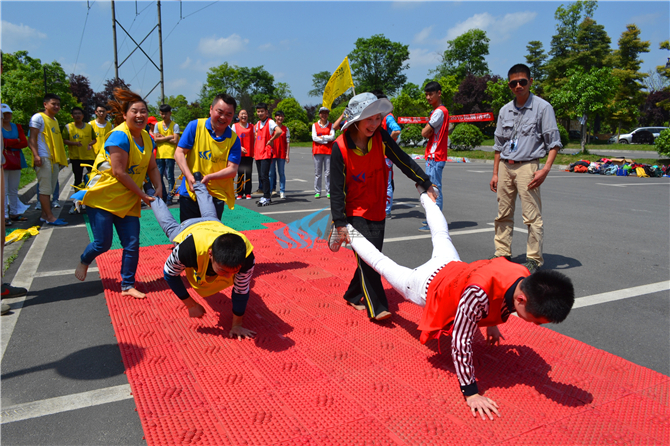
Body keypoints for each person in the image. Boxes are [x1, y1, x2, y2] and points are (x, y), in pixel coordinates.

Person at [345, 184, 574, 420]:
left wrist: (492, 323)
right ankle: (345, 229)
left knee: (441, 234)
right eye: (536, 320)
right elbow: (461, 342)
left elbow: (499, 289)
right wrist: (471, 393)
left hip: (451, 266)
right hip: (424, 285)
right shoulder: (477, 296)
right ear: (522, 299)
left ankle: (425, 194)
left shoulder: (522, 275)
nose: (536, 325)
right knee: (382, 263)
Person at [329, 92, 437, 321]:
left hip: (378, 206)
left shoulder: (381, 137)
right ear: (356, 119)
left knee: (372, 256)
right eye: (369, 119)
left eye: (378, 118)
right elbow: (336, 190)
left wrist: (425, 182)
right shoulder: (339, 148)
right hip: (354, 211)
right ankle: (377, 308)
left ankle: (352, 294)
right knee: (372, 260)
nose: (375, 124)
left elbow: (402, 160)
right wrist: (339, 222)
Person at [74, 88, 162, 299]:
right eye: (134, 111)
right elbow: (119, 172)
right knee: (102, 243)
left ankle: (127, 285)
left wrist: (158, 187)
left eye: (143, 111)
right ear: (124, 115)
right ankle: (85, 260)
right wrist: (143, 196)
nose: (139, 115)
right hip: (104, 198)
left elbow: (152, 167)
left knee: (132, 243)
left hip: (128, 199)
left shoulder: (147, 138)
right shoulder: (119, 136)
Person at [148, 173, 256, 339]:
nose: (229, 277)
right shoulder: (189, 249)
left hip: (213, 225)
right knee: (168, 225)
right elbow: (169, 274)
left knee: (210, 214)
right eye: (223, 270)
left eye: (233, 272)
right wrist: (190, 304)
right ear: (211, 254)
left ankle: (198, 182)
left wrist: (237, 325)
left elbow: (241, 291)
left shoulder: (246, 256)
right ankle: (150, 191)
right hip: (186, 230)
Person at [490, 64, 561, 274]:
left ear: (530, 82)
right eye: (514, 83)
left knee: (531, 216)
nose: (518, 86)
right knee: (502, 213)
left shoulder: (542, 108)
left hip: (528, 166)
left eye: (522, 81)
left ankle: (534, 259)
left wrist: (545, 169)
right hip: (505, 165)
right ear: (509, 86)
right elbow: (498, 145)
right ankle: (502, 253)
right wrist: (495, 173)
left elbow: (554, 143)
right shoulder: (505, 110)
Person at [175, 94, 241, 221]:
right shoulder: (195, 126)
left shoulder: (233, 139)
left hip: (216, 196)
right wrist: (189, 176)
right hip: (190, 193)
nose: (223, 117)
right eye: (219, 112)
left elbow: (232, 169)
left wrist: (210, 177)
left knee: (211, 237)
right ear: (211, 109)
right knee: (188, 237)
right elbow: (179, 152)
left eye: (228, 114)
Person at [28, 94, 69, 225]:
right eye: (53, 104)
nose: (56, 106)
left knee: (50, 189)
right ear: (45, 104)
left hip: (53, 159)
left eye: (58, 104)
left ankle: (45, 215)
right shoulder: (38, 118)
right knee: (45, 189)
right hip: (43, 158)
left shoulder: (55, 120)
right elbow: (32, 138)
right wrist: (36, 155)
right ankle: (50, 217)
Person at [419, 81, 450, 232]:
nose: (428, 97)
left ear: (439, 93)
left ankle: (436, 223)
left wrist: (427, 130)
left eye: (431, 94)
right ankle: (432, 221)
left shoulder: (439, 111)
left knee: (434, 189)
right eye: (426, 94)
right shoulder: (438, 111)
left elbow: (424, 132)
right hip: (434, 154)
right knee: (432, 188)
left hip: (435, 155)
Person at [372, 91, 402, 218]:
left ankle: (387, 210)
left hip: (386, 156)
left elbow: (396, 130)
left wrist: (386, 143)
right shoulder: (379, 116)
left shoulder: (388, 116)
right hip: (379, 154)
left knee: (387, 183)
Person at [2, 104, 30, 225]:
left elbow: (24, 142)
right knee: (3, 190)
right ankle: (4, 216)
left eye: (8, 113)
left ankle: (14, 213)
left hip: (16, 160)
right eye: (3, 114)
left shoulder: (16, 127)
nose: (6, 116)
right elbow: (2, 143)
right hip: (3, 160)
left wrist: (8, 143)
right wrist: (15, 141)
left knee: (13, 189)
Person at [253, 103, 283, 207]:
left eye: (262, 111)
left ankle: (266, 197)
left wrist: (271, 140)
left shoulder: (270, 122)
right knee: (261, 176)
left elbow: (279, 131)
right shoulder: (257, 124)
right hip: (258, 153)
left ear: (266, 112)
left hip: (266, 153)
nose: (260, 113)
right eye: (258, 111)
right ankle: (265, 196)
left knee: (265, 175)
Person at [62, 106, 97, 187]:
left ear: (83, 115)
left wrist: (90, 144)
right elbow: (64, 140)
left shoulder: (89, 126)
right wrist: (75, 143)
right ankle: (77, 198)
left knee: (93, 177)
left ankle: (91, 195)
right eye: (75, 114)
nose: (77, 115)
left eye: (79, 113)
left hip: (89, 156)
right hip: (76, 157)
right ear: (72, 116)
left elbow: (94, 139)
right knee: (78, 178)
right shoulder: (68, 127)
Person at [153, 104, 180, 204]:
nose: (163, 115)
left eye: (165, 113)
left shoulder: (175, 125)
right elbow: (156, 139)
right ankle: (163, 195)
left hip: (170, 154)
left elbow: (175, 140)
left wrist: (162, 138)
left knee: (170, 177)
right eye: (162, 113)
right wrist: (168, 137)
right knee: (159, 176)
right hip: (160, 155)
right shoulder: (157, 125)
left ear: (170, 113)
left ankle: (170, 196)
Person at [311, 106, 335, 199]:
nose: (324, 115)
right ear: (319, 114)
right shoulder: (315, 125)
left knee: (328, 173)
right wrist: (326, 138)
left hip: (328, 151)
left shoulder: (331, 125)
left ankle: (328, 191)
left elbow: (332, 137)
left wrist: (322, 138)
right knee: (318, 173)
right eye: (322, 113)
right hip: (317, 151)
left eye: (326, 113)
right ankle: (317, 191)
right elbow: (314, 137)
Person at [233, 109, 255, 200]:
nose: (243, 116)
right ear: (238, 116)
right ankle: (239, 193)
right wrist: (240, 147)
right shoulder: (235, 126)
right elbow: (232, 140)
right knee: (240, 174)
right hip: (239, 154)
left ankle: (248, 193)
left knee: (248, 174)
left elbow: (255, 139)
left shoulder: (251, 126)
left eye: (245, 114)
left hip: (249, 154)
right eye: (241, 114)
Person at [269, 110, 290, 199]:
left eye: (281, 116)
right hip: (272, 153)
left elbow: (288, 143)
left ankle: (282, 191)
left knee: (281, 173)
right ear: (275, 117)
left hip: (281, 154)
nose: (280, 118)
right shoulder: (272, 128)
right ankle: (270, 191)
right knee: (271, 174)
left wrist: (287, 154)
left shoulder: (286, 129)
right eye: (278, 116)